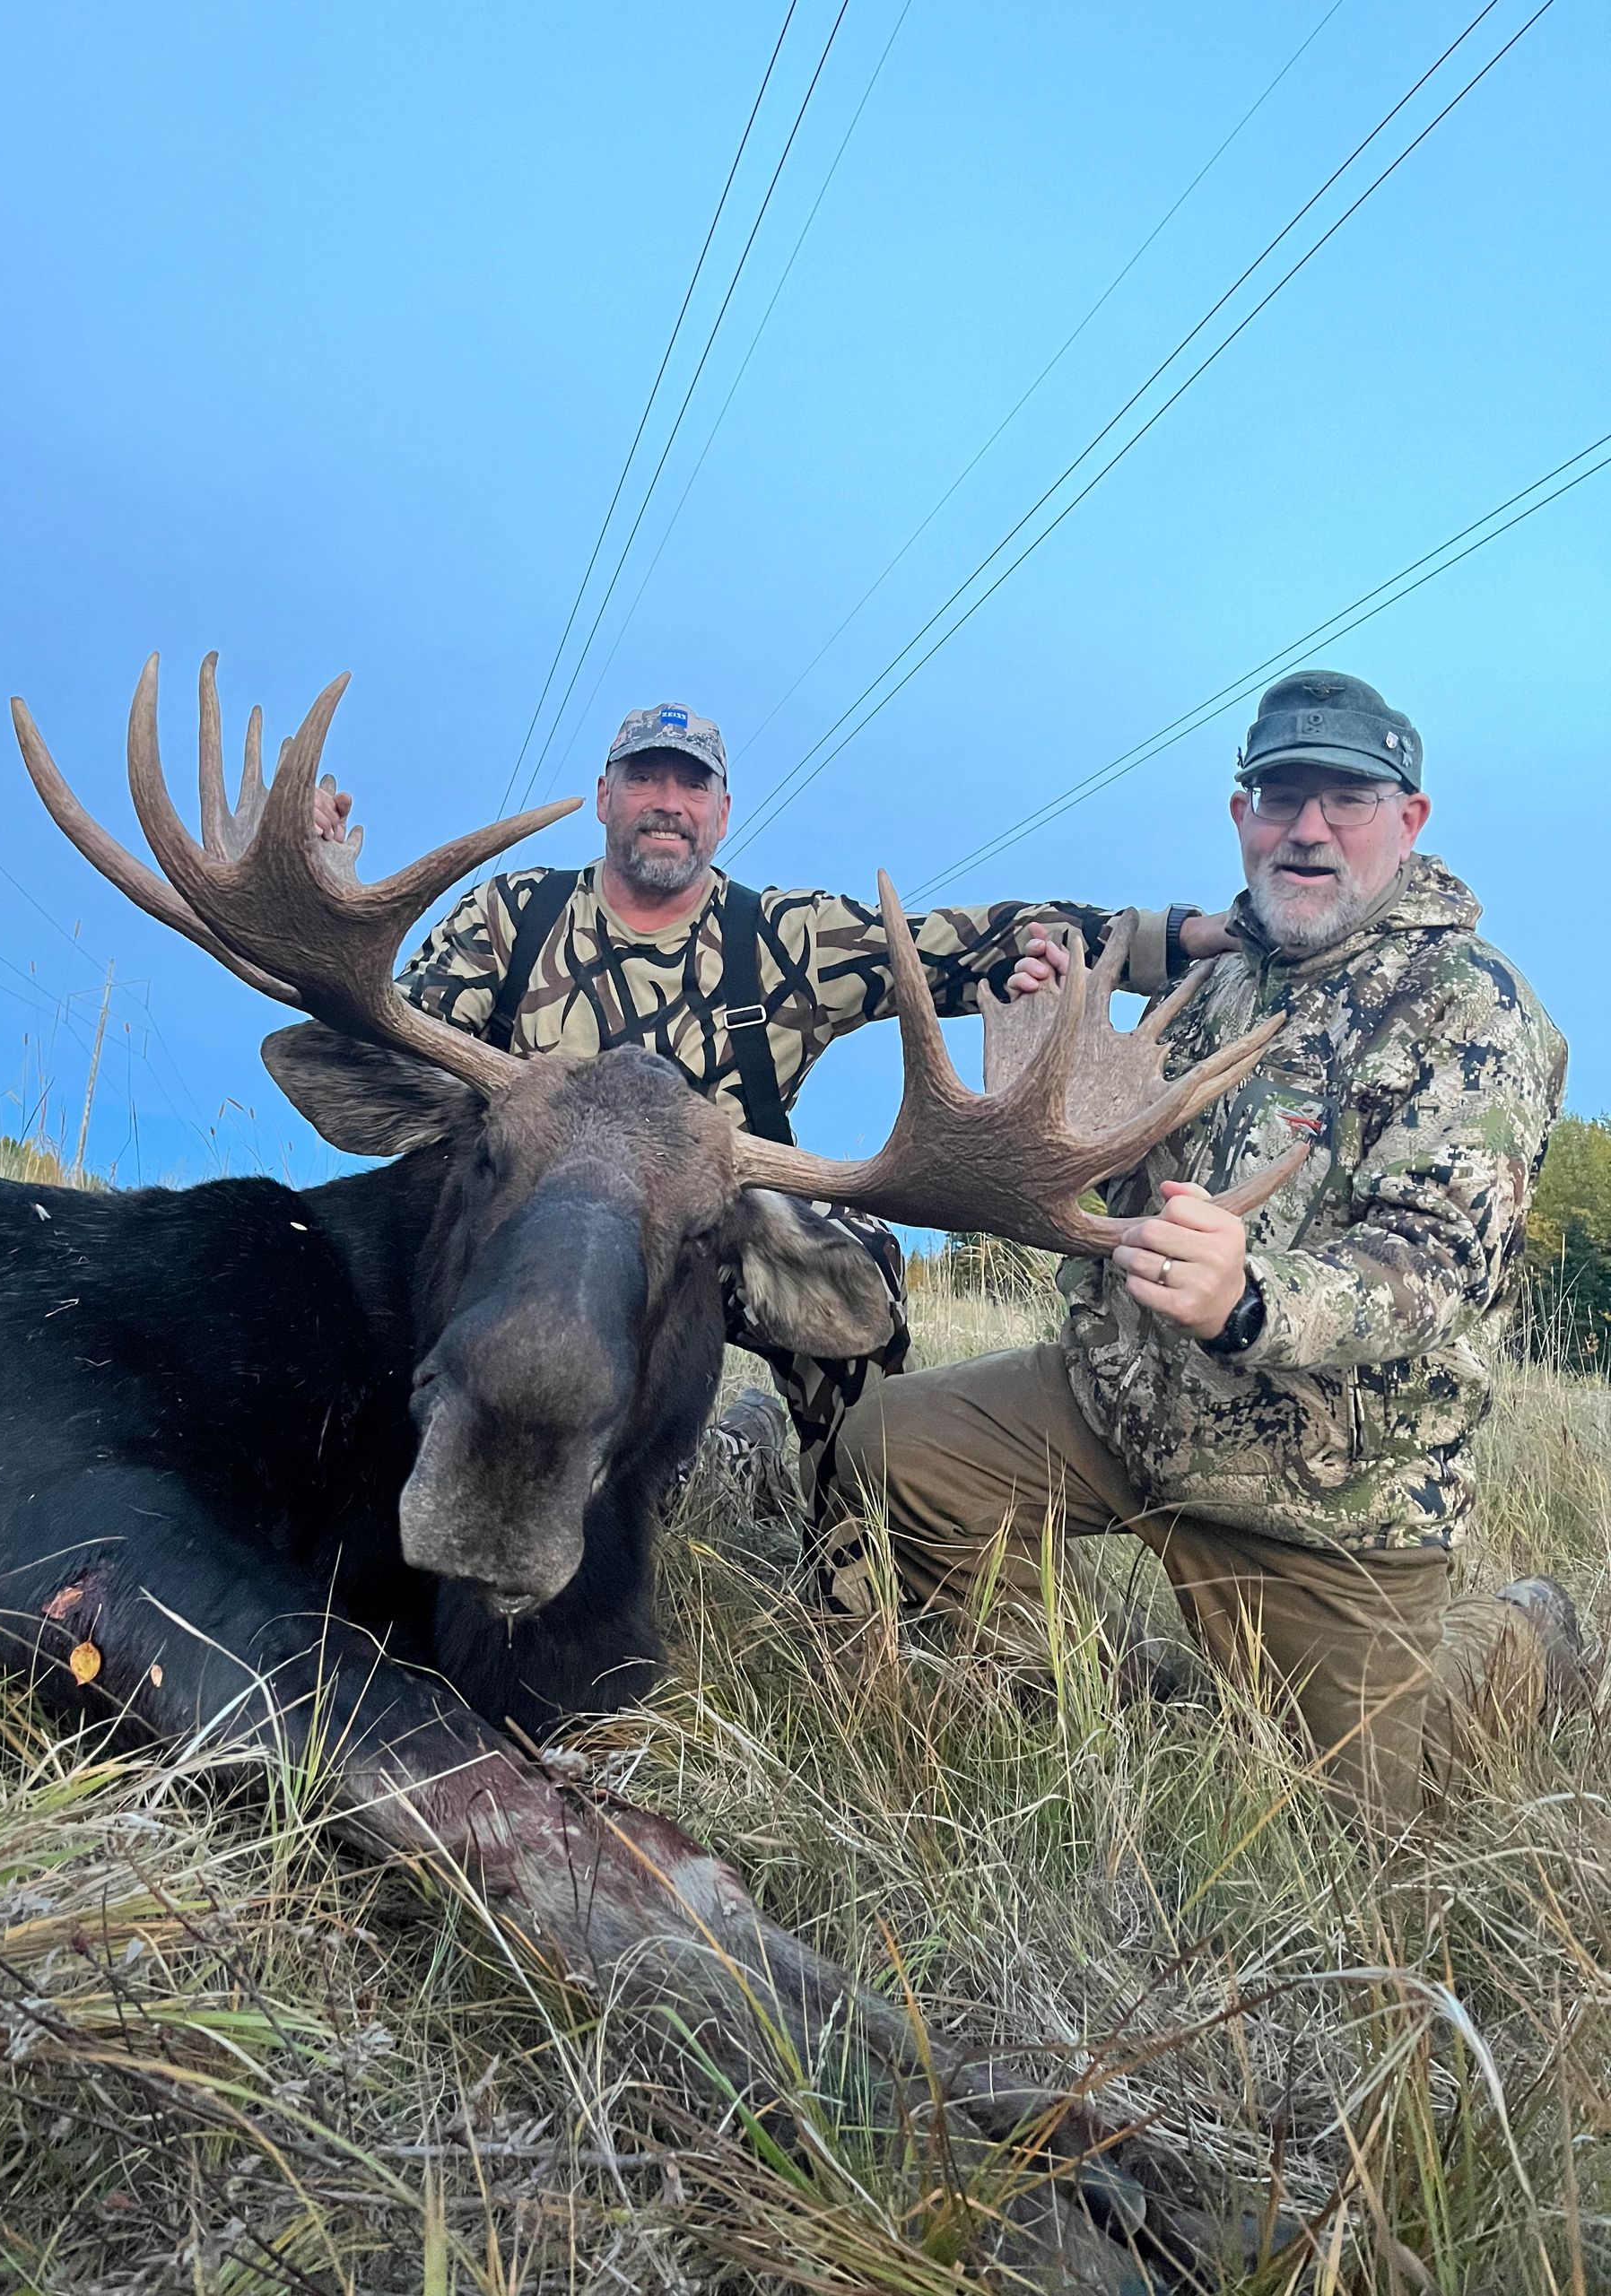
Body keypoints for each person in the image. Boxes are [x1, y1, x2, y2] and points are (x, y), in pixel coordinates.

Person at [820, 671, 1579, 1817]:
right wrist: (1044, 1092)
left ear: (1408, 820)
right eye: (1281, 795)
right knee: (892, 1451)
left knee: (1343, 1850)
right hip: (1125, 1410)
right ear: (1242, 815)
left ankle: (1519, 1642)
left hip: (1325, 1494)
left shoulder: (1471, 1009)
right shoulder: (1217, 982)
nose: (1308, 828)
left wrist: (1253, 1298)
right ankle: (1119, 1698)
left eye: (1348, 799)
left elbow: (1437, 1265)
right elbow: (1137, 1186)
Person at [311, 700, 1232, 1521]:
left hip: (712, 1240)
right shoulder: (510, 917)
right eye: (644, 778)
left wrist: (1185, 938)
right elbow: (401, 1052)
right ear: (603, 796)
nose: (667, 800)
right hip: (529, 1244)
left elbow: (965, 944)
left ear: (720, 811)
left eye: (691, 784)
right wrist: (323, 906)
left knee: (858, 1264)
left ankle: (853, 1561)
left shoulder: (784, 938)